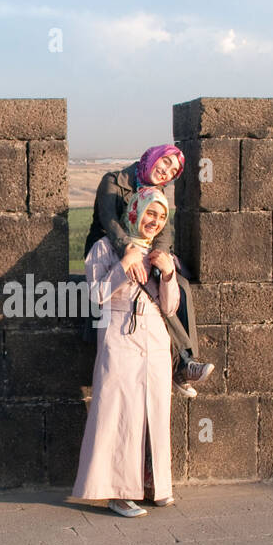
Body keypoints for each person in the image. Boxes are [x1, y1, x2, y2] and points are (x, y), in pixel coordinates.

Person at [72, 186, 179, 517]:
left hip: (155, 341)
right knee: (119, 414)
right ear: (134, 210)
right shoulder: (105, 248)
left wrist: (169, 274)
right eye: (150, 213)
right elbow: (97, 295)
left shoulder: (161, 253)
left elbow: (170, 307)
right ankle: (117, 494)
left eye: (161, 217)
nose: (155, 221)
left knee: (154, 415)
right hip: (118, 339)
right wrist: (125, 263)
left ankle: (154, 485)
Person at [84, 145, 213, 397]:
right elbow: (110, 222)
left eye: (173, 171)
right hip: (111, 251)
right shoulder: (113, 181)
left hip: (145, 252)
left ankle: (186, 362)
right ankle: (184, 361)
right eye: (165, 162)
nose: (166, 171)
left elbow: (164, 233)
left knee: (180, 285)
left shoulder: (157, 192)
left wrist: (159, 257)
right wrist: (131, 254)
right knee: (148, 287)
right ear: (152, 158)